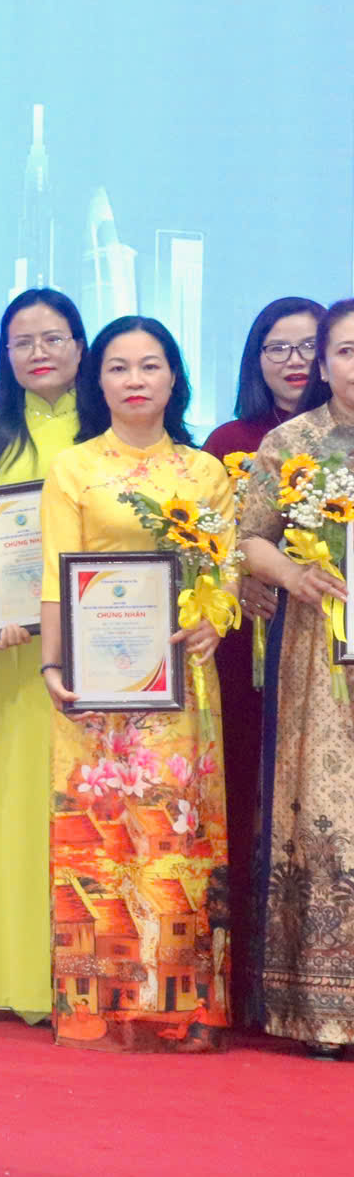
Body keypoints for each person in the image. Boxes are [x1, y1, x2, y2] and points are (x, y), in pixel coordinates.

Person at [36, 316, 234, 1053]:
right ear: (100, 382)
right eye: (118, 367)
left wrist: (216, 621)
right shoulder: (74, 468)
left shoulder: (204, 472)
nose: (135, 380)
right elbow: (56, 577)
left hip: (180, 682)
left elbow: (223, 570)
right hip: (97, 687)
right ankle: (101, 1006)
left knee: (178, 837)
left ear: (174, 377)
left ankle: (189, 1009)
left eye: (150, 365)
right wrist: (52, 665)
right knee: (102, 838)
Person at [0, 288, 88, 1022]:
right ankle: (27, 982)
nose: (39, 353)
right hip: (15, 652)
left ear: (80, 346)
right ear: (5, 356)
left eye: (53, 338)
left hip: (99, 650)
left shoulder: (109, 425)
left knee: (86, 802)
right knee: (21, 804)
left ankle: (89, 974)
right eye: (22, 342)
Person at [202, 294, 326, 1018]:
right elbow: (210, 540)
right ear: (256, 359)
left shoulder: (332, 438)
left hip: (320, 648)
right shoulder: (231, 439)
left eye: (308, 346)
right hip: (240, 648)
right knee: (244, 797)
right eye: (276, 347)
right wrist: (243, 576)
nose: (293, 360)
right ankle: (243, 976)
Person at [238, 296, 354, 1057]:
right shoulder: (291, 442)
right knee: (324, 806)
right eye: (345, 351)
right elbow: (248, 539)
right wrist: (292, 573)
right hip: (317, 652)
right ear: (324, 362)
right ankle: (322, 1009)